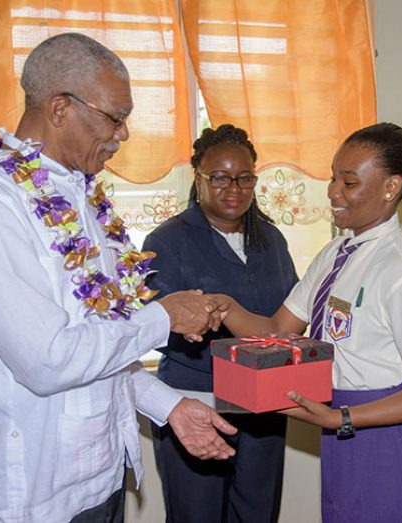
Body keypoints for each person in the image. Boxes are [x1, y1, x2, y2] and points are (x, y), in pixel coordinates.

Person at [0, 33, 238, 523]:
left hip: (101, 475)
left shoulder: (84, 201)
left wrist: (170, 407)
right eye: (115, 117)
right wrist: (161, 318)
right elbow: (49, 360)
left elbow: (101, 345)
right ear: (60, 108)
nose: (123, 134)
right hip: (34, 494)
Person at [207, 122, 402, 522]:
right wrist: (224, 308)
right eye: (332, 178)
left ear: (391, 188)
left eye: (349, 182)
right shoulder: (336, 253)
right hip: (344, 426)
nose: (332, 192)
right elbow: (277, 332)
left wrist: (342, 418)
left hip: (388, 434)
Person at [142, 124, 298, 523]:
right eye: (221, 177)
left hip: (263, 408)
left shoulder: (273, 241)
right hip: (195, 401)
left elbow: (290, 314)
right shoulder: (167, 240)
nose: (234, 187)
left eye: (245, 177)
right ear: (198, 178)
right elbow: (158, 326)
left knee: (258, 514)